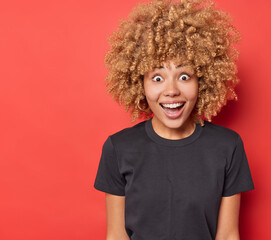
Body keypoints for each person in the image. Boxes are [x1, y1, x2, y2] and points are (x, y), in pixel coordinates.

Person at [93, 0, 255, 239]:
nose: (171, 91)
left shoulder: (228, 146)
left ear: (203, 80)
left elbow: (228, 236)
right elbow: (116, 236)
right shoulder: (118, 148)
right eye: (157, 77)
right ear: (140, 84)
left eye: (184, 76)